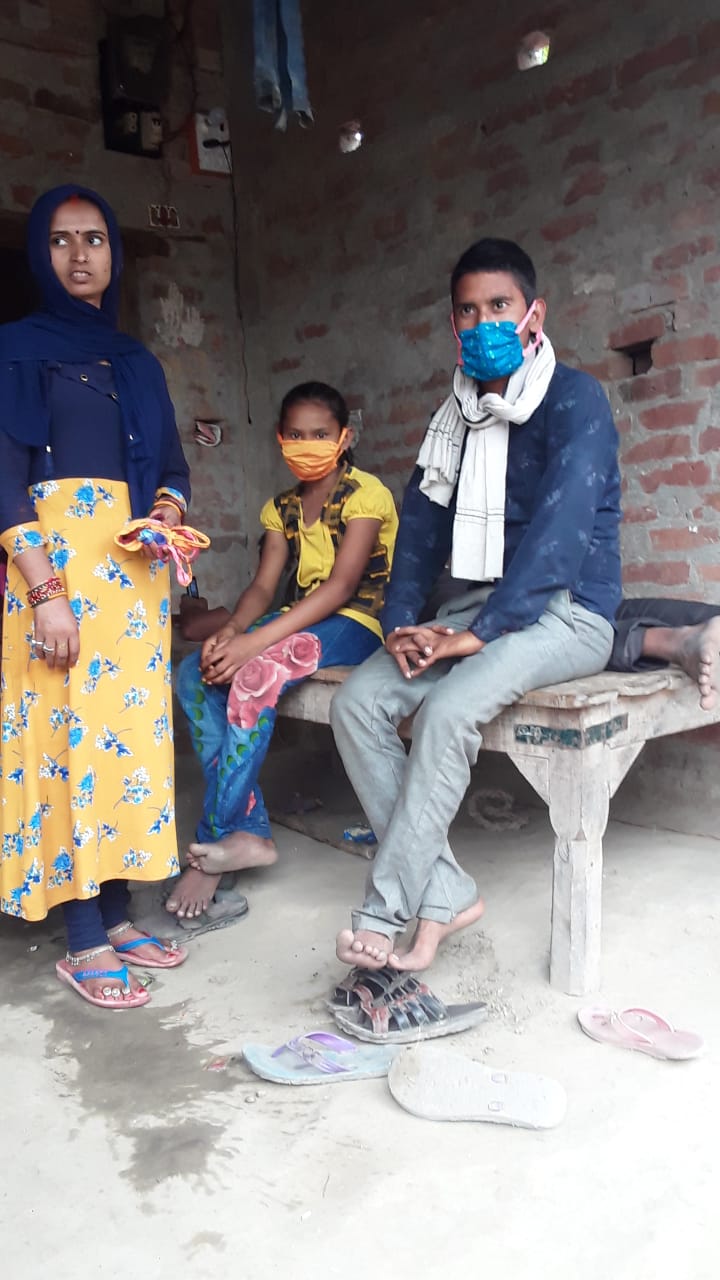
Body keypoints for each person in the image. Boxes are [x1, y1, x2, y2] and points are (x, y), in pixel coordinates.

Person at [330, 237, 623, 973]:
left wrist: (481, 635)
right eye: (469, 310)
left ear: (533, 315)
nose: (485, 322)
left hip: (568, 610)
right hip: (475, 607)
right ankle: (446, 892)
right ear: (452, 323)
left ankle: (386, 910)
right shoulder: (452, 420)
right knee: (358, 703)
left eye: (500, 306)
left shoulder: (575, 399)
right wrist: (402, 624)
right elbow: (420, 533)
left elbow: (560, 536)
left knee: (450, 710)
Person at [0, 185, 191, 1010]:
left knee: (122, 749)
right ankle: (82, 937)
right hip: (52, 576)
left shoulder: (136, 362)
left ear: (114, 252)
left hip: (132, 581)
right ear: (39, 255)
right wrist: (45, 591)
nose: (80, 255)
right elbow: (4, 482)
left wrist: (165, 516)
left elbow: (173, 469)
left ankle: (116, 916)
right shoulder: (14, 350)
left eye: (94, 239)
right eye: (60, 240)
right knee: (64, 748)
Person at [167, 381, 399, 922]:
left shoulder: (366, 494)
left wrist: (254, 644)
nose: (307, 444)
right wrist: (233, 632)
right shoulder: (283, 508)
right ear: (279, 438)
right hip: (302, 619)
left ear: (344, 438)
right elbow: (262, 588)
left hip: (357, 623)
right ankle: (248, 833)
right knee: (193, 673)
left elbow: (341, 588)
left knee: (253, 678)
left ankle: (214, 842)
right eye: (296, 434)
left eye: (320, 434)